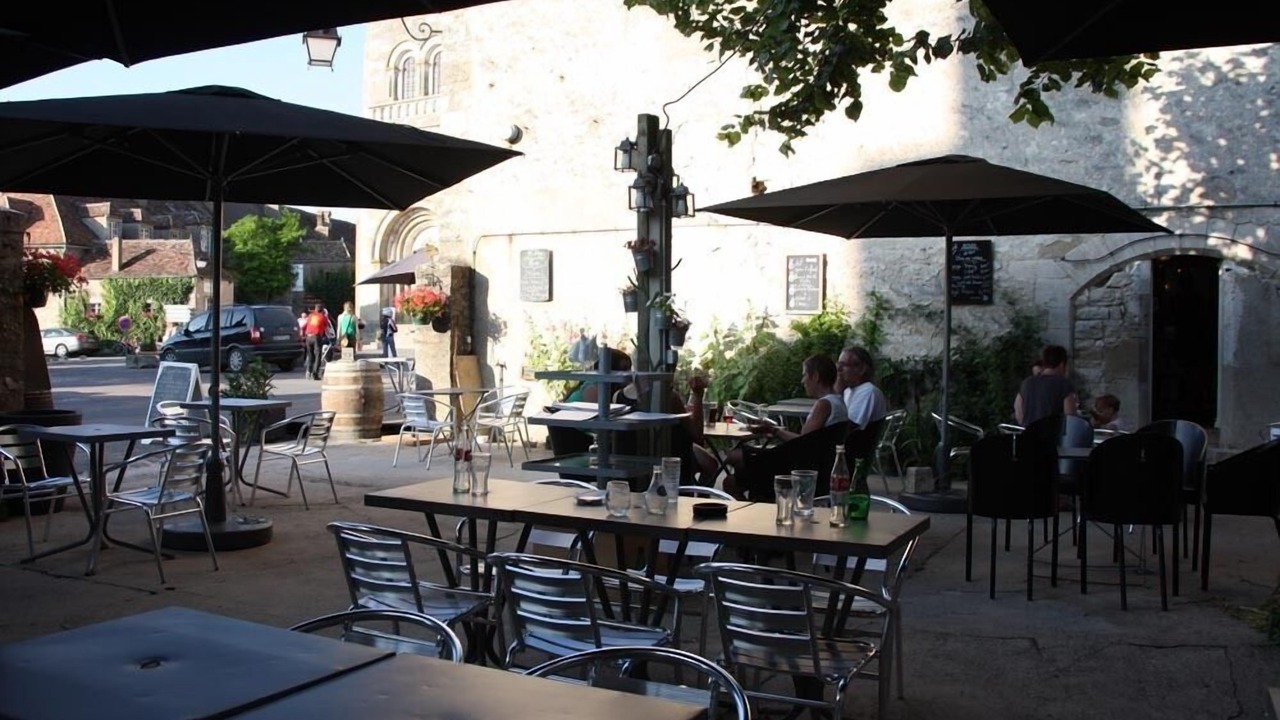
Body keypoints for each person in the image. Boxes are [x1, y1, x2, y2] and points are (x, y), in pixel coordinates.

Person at [723, 354, 848, 495]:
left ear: (816, 376)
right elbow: (805, 442)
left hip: (799, 469)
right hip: (814, 465)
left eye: (805, 375)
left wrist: (775, 431)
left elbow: (802, 444)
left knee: (734, 462)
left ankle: (756, 496)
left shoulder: (824, 405)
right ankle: (752, 490)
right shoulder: (839, 402)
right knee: (737, 470)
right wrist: (774, 430)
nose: (802, 381)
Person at [1014, 344, 1079, 426]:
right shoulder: (1065, 385)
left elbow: (1019, 411)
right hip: (1054, 436)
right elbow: (1070, 417)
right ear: (1062, 364)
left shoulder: (1027, 383)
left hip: (1030, 435)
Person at [836, 345, 888, 429]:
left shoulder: (868, 392)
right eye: (838, 364)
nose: (839, 369)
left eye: (843, 365)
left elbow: (850, 429)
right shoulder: (848, 391)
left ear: (861, 369)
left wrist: (837, 394)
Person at [302, 303, 330, 380]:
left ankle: (308, 371)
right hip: (316, 337)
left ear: (315, 309)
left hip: (308, 337)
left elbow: (305, 326)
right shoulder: (323, 317)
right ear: (322, 310)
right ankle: (315, 374)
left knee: (310, 355)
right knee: (318, 355)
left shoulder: (310, 316)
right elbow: (326, 328)